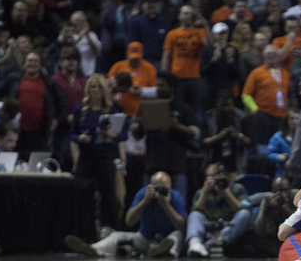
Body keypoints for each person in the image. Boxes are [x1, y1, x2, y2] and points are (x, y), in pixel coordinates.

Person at [65, 171, 187, 259]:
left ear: (170, 184)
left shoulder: (176, 197)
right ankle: (93, 249)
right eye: (157, 185)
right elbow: (129, 222)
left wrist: (166, 206)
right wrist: (144, 201)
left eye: (163, 184)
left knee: (178, 236)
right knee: (116, 236)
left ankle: (164, 252)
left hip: (167, 238)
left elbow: (182, 226)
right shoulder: (144, 194)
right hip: (145, 238)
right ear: (151, 185)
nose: (160, 188)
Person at [71, 74, 128, 231]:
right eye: (92, 87)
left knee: (108, 193)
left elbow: (122, 135)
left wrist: (110, 135)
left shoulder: (113, 110)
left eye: (98, 87)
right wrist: (80, 138)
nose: (95, 90)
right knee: (82, 190)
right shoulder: (80, 110)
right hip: (86, 156)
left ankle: (109, 226)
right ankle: (83, 227)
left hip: (105, 155)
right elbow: (72, 133)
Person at [134, 70, 199, 202]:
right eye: (157, 85)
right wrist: (141, 125)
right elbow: (136, 134)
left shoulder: (183, 108)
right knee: (148, 202)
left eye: (162, 85)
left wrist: (177, 126)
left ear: (171, 88)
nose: (158, 88)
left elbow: (196, 133)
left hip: (176, 164)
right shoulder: (148, 106)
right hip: (153, 163)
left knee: (177, 203)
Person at [0, 52, 66, 159]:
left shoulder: (49, 82)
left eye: (35, 61)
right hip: (17, 131)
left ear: (40, 65)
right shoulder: (14, 79)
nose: (32, 63)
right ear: (24, 63)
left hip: (40, 132)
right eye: (30, 60)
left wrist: (57, 119)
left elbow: (62, 101)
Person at [185, 162, 252, 258]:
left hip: (229, 230)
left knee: (245, 213)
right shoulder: (201, 192)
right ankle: (195, 244)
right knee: (194, 215)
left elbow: (246, 208)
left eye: (214, 177)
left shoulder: (237, 188)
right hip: (209, 229)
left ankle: (220, 240)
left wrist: (226, 193)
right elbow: (195, 211)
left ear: (223, 175)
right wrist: (204, 193)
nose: (213, 181)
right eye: (209, 178)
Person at [161, 5, 210, 116]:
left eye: (190, 14)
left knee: (196, 107)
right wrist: (165, 76)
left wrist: (205, 25)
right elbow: (166, 55)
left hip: (195, 76)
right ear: (179, 16)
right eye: (186, 13)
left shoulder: (199, 32)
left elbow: (209, 46)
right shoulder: (172, 34)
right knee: (179, 107)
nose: (188, 16)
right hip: (177, 76)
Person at [242, 44, 289, 146]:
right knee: (262, 146)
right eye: (268, 54)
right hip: (262, 117)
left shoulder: (285, 73)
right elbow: (246, 95)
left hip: (281, 118)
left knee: (278, 146)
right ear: (264, 56)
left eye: (274, 54)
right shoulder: (256, 72)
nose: (271, 56)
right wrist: (256, 110)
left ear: (279, 56)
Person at [202, 91, 250, 173]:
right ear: (217, 104)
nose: (226, 108)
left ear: (233, 104)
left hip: (235, 163)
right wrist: (219, 136)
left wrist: (238, 135)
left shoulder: (241, 117)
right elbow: (203, 141)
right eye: (223, 105)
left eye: (228, 105)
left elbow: (249, 141)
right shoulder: (209, 116)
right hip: (214, 161)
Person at [107, 41, 158, 118]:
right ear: (127, 54)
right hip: (118, 111)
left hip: (140, 113)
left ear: (142, 56)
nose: (134, 61)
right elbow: (108, 86)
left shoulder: (149, 68)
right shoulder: (117, 66)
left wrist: (142, 90)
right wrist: (124, 88)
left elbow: (156, 91)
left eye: (137, 59)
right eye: (132, 58)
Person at [200, 22, 238, 111]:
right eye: (220, 33)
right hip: (211, 90)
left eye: (225, 33)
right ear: (213, 35)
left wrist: (230, 62)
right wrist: (214, 60)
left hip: (227, 90)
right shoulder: (208, 50)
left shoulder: (232, 50)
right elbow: (202, 72)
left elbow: (237, 75)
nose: (223, 36)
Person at [130, 0, 168, 70]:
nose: (151, 5)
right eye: (148, 3)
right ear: (143, 5)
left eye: (154, 3)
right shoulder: (137, 21)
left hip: (159, 61)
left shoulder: (161, 22)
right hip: (143, 60)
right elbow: (132, 42)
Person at [266, 108, 297, 178]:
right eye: (291, 119)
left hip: (298, 173)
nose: (295, 121)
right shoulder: (278, 137)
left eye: (297, 118)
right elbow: (269, 155)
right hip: (282, 173)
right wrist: (279, 157)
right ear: (286, 121)